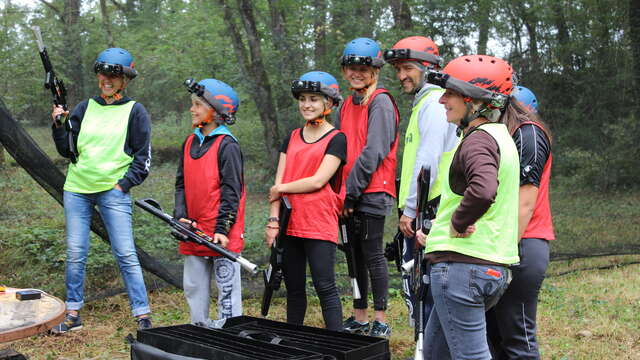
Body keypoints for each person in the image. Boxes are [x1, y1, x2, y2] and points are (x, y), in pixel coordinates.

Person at [415, 55, 521, 359]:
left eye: (449, 93)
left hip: (463, 269)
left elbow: (484, 190)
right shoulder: (500, 137)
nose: (441, 101)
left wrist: (458, 223)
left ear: (473, 100)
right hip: (484, 265)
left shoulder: (477, 141)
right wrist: (442, 227)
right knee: (436, 354)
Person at [50, 48, 152, 333]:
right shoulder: (84, 107)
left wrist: (123, 185)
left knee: (125, 253)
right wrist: (59, 124)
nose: (106, 79)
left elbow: (143, 158)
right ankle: (72, 314)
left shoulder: (135, 111)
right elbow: (67, 150)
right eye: (103, 73)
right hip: (77, 189)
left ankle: (142, 316)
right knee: (76, 252)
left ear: (125, 80)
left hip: (113, 192)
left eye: (114, 75)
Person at [383, 35, 459, 325]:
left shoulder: (433, 104)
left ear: (427, 67)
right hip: (427, 207)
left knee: (421, 283)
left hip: (430, 209)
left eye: (408, 68)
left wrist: (412, 209)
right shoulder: (427, 103)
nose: (401, 75)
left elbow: (428, 161)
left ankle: (428, 349)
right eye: (398, 69)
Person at [266, 71, 345, 331]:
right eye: (302, 99)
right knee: (294, 289)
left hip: (319, 224)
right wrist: (273, 221)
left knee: (325, 287)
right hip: (289, 225)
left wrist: (282, 188)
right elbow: (277, 183)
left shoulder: (337, 139)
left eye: (313, 99)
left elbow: (317, 181)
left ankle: (339, 345)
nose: (306, 104)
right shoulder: (291, 137)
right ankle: (293, 342)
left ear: (329, 104)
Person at [486, 85, 554, 360]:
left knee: (517, 338)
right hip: (502, 242)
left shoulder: (529, 136)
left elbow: (524, 204)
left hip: (523, 243)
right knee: (494, 337)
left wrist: (504, 250)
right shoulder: (503, 139)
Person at [337, 38, 399, 338]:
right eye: (351, 68)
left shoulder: (382, 102)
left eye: (364, 68)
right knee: (353, 254)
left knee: (372, 253)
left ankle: (380, 319)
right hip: (348, 190)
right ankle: (359, 317)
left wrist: (351, 191)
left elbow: (374, 150)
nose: (357, 73)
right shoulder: (348, 103)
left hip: (373, 189)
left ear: (375, 70)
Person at [173, 78, 245, 328]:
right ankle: (200, 332)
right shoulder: (189, 142)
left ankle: (230, 337)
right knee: (194, 287)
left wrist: (222, 229)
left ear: (216, 111)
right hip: (193, 229)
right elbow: (181, 183)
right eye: (192, 104)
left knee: (227, 292)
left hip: (221, 233)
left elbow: (232, 192)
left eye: (197, 105)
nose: (191, 110)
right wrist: (180, 215)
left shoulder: (228, 145)